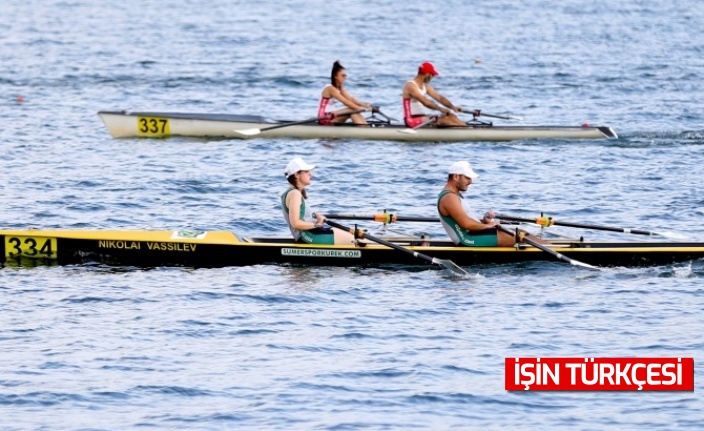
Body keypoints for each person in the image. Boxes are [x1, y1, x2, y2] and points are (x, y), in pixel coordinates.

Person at [437, 161, 545, 247]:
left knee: (522, 233)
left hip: (471, 235)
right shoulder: (449, 198)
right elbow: (466, 224)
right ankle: (554, 250)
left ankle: (550, 246)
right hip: (467, 240)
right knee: (520, 236)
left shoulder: (453, 195)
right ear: (456, 177)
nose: (471, 182)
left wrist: (484, 221)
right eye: (467, 178)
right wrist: (487, 225)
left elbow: (463, 221)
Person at [281, 157, 356, 245]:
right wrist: (318, 224)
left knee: (354, 234)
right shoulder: (295, 194)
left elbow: (301, 219)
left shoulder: (293, 192)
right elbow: (295, 223)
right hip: (307, 237)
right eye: (306, 171)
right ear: (296, 174)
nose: (310, 174)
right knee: (354, 239)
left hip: (311, 234)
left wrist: (315, 219)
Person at [402, 62, 467, 127]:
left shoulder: (426, 86)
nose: (433, 77)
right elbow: (426, 103)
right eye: (432, 75)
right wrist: (441, 109)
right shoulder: (410, 86)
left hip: (422, 117)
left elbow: (440, 98)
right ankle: (467, 132)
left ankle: (468, 129)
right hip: (411, 120)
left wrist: (452, 107)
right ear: (427, 74)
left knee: (452, 116)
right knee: (445, 120)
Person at [318, 60, 372, 125]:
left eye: (345, 76)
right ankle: (365, 130)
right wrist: (359, 108)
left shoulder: (340, 88)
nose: (345, 78)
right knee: (352, 109)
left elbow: (351, 99)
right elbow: (346, 102)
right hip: (324, 118)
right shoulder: (330, 88)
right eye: (343, 75)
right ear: (335, 76)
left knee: (354, 109)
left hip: (332, 115)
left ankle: (365, 127)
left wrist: (364, 105)